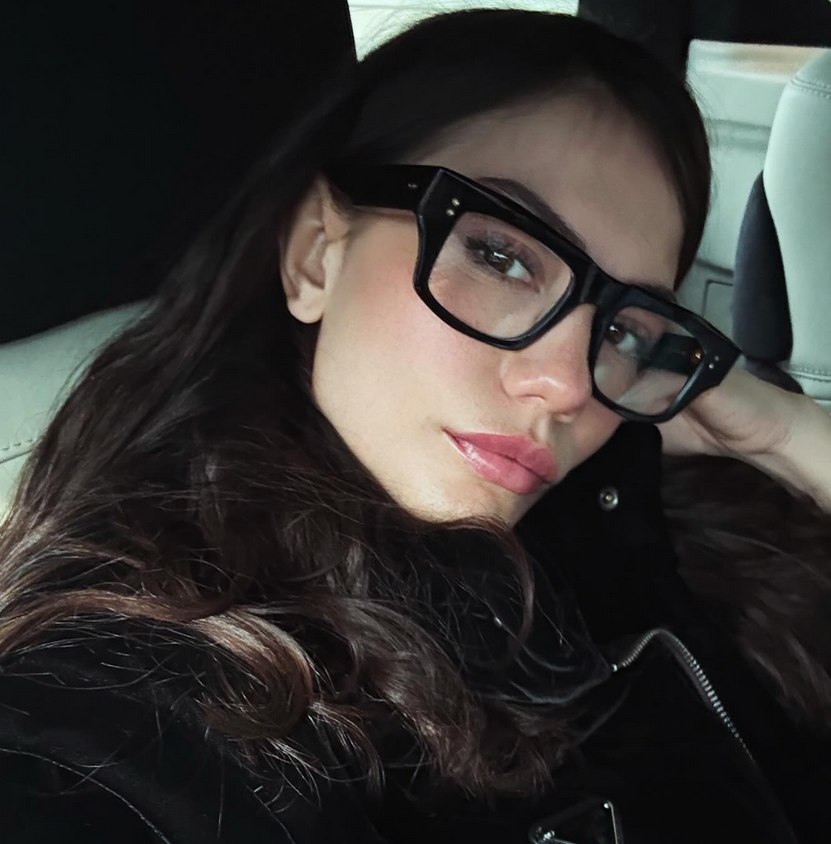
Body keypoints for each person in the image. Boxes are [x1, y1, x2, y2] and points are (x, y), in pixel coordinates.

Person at [0, 9, 829, 844]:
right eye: (501, 256)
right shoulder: (132, 714)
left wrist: (780, 432)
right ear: (315, 255)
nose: (566, 387)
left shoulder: (637, 513)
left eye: (623, 325)